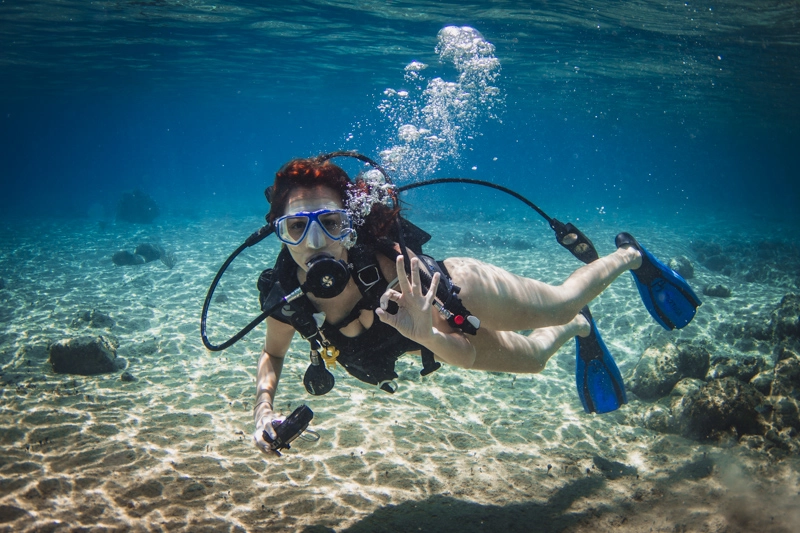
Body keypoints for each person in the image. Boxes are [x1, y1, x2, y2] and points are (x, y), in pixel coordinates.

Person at [251, 155, 700, 456]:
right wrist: (263, 411)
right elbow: (273, 354)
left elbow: (461, 350)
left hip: (461, 293)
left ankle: (630, 256)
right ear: (279, 231)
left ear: (351, 225)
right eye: (295, 228)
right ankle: (582, 328)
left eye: (330, 224)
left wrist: (429, 331)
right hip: (428, 336)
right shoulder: (288, 296)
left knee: (560, 303)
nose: (314, 244)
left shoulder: (396, 269)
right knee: (536, 360)